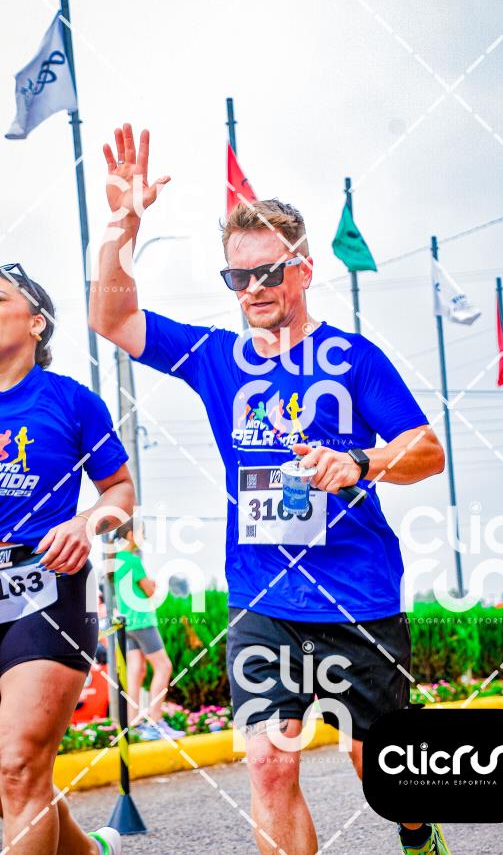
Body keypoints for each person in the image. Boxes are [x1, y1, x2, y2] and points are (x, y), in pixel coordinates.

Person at [90, 124, 450, 855]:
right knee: (268, 762)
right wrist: (123, 225)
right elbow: (113, 318)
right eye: (238, 277)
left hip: (357, 595)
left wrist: (361, 462)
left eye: (267, 273)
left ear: (303, 270)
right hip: (262, 598)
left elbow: (428, 451)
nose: (252, 289)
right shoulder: (214, 357)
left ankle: (418, 832)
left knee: (381, 768)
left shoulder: (354, 359)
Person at [0, 263, 135, 855]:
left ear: (37, 323)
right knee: (13, 777)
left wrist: (85, 523)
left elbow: (120, 490)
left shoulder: (72, 402)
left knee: (17, 766)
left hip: (47, 590)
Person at [112, 518, 184, 740]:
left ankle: (134, 724)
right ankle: (156, 721)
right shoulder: (133, 561)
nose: (144, 537)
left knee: (136, 672)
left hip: (128, 624)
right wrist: (153, 585)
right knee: (164, 667)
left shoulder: (117, 560)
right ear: (130, 535)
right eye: (142, 533)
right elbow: (149, 590)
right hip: (142, 621)